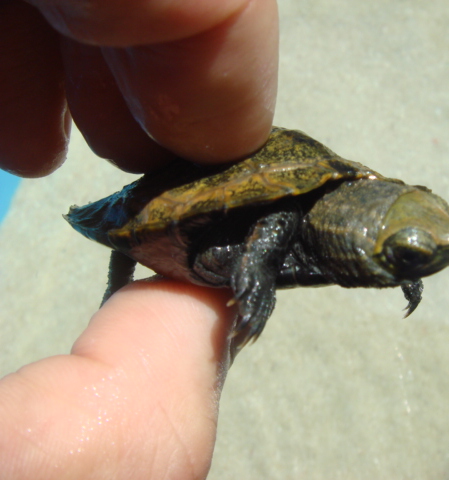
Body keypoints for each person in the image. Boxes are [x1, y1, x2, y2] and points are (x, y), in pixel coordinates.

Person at [0, 0, 279, 477]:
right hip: (174, 212)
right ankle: (120, 282)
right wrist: (257, 273)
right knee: (134, 237)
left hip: (204, 214)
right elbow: (276, 223)